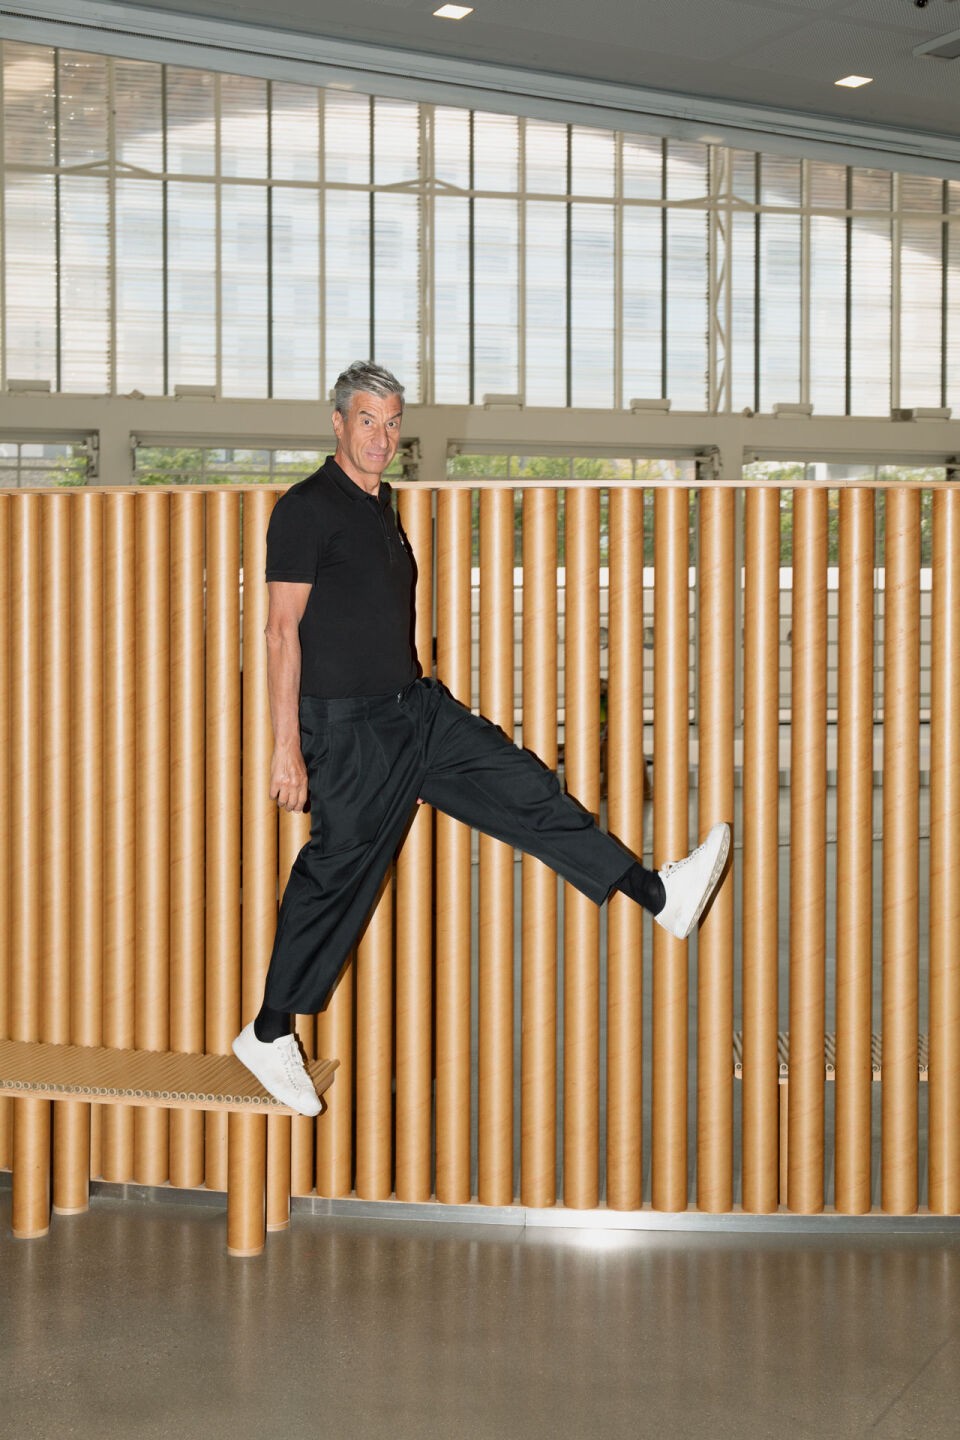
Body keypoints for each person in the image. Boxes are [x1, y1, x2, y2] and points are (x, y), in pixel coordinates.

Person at [233, 361, 730, 1115]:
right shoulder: (306, 509)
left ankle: (658, 895)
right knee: (338, 875)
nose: (382, 435)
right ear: (337, 423)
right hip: (350, 729)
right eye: (367, 419)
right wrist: (284, 745)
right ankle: (269, 1032)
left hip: (417, 712)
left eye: (393, 421)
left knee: (525, 786)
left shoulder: (382, 505)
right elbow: (278, 631)